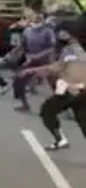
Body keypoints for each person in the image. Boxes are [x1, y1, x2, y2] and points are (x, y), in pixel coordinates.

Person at [20, 21, 86, 150]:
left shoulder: (73, 50)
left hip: (72, 90)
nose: (58, 35)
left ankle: (60, 140)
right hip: (78, 90)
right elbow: (59, 66)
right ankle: (60, 140)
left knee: (47, 111)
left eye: (61, 32)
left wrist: (34, 71)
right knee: (83, 121)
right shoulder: (73, 49)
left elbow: (66, 68)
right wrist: (35, 71)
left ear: (70, 34)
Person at [11, 11, 57, 111]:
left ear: (44, 19)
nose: (36, 18)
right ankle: (24, 104)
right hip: (32, 61)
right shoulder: (27, 30)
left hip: (46, 62)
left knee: (55, 85)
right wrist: (14, 52)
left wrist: (37, 56)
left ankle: (69, 106)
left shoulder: (48, 31)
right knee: (18, 82)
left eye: (39, 17)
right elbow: (23, 45)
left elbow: (52, 48)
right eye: (34, 16)